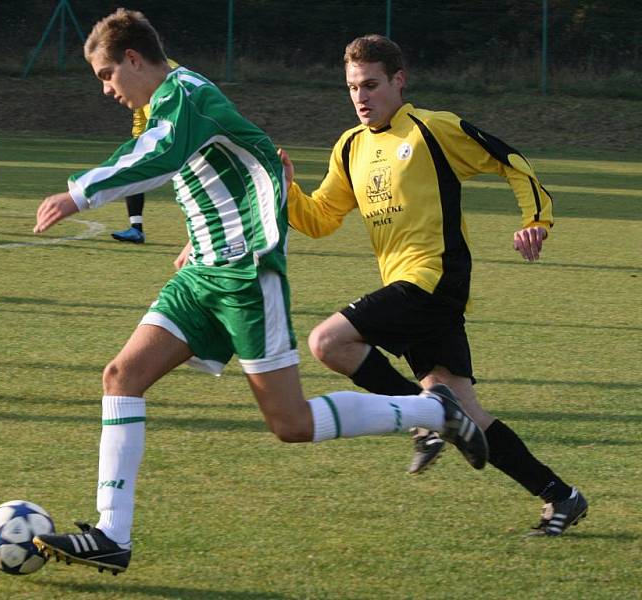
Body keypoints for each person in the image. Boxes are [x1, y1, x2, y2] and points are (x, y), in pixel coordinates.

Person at [31, 9, 488, 575]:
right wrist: (199, 237)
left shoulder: (185, 95)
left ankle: (432, 410)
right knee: (121, 376)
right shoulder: (170, 100)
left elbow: (166, 154)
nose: (105, 89)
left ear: (131, 58)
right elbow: (234, 168)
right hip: (203, 273)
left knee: (290, 424)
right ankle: (111, 535)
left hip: (246, 275)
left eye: (106, 74)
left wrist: (79, 194)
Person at [280, 34, 587, 537]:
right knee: (465, 408)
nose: (361, 97)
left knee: (327, 341)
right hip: (409, 285)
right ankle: (561, 496)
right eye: (353, 87)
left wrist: (536, 218)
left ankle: (426, 419)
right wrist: (285, 187)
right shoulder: (350, 146)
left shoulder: (433, 129)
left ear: (399, 81)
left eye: (372, 85)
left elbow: (510, 161)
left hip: (434, 278)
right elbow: (320, 218)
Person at [111, 57, 179, 244]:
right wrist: (138, 140)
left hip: (180, 138)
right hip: (155, 138)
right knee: (131, 171)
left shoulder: (172, 72)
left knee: (192, 187)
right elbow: (139, 111)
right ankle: (136, 229)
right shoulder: (139, 74)